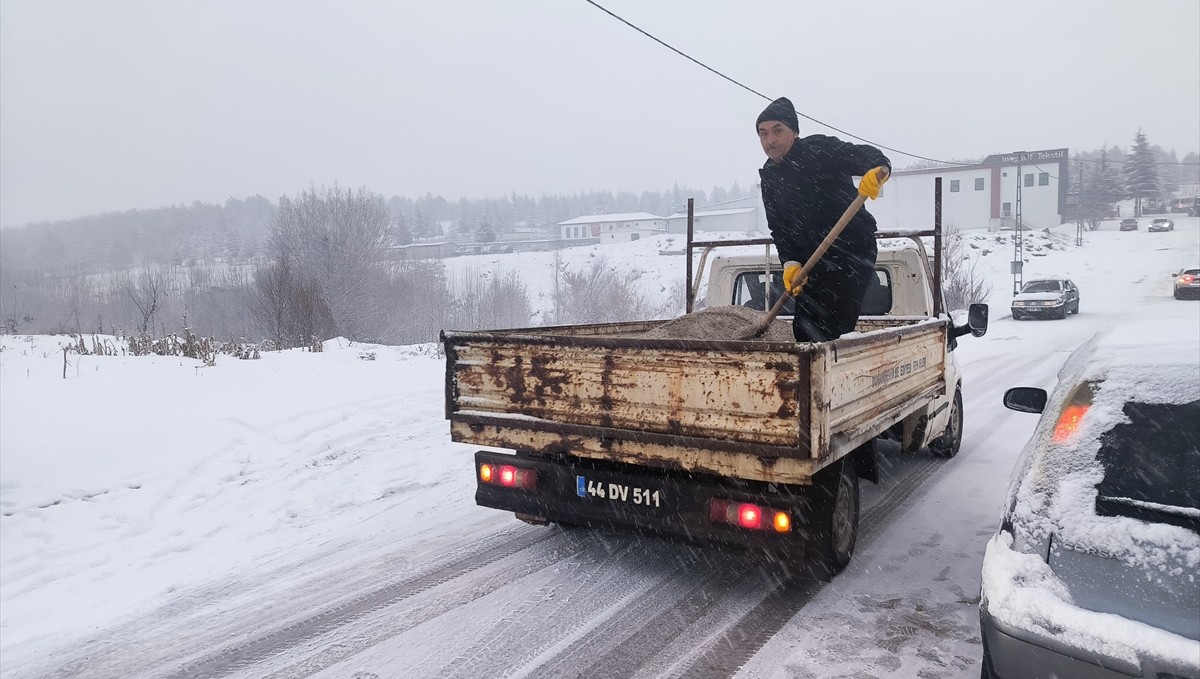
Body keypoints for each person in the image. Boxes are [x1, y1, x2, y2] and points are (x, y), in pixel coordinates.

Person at [756, 97, 891, 342]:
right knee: (804, 330)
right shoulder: (770, 177)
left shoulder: (818, 149)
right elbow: (780, 228)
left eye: (777, 130)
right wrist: (790, 262)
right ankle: (809, 377)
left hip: (851, 251)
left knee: (833, 329)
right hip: (812, 259)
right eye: (763, 134)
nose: (770, 140)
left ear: (794, 132)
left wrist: (877, 166)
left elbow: (858, 153)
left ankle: (829, 374)